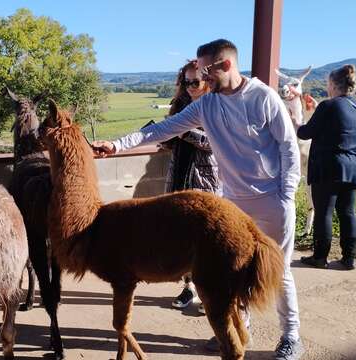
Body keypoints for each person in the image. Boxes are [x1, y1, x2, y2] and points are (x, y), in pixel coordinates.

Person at [92, 39, 304, 360]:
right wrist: (118, 145)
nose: (202, 81)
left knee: (280, 270)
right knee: (233, 271)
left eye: (207, 72)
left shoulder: (263, 98)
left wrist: (286, 195)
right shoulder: (207, 106)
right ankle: (236, 329)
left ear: (226, 66)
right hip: (233, 201)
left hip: (272, 200)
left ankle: (291, 335)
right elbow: (161, 130)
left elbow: (289, 147)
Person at [164, 60, 221, 312]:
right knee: (181, 238)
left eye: (194, 82)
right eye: (185, 82)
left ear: (207, 81)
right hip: (179, 176)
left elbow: (215, 142)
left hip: (205, 179)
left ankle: (210, 291)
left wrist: (183, 133)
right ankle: (190, 288)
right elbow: (170, 137)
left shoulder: (217, 106)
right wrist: (168, 139)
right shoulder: (180, 105)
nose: (189, 87)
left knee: (205, 239)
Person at [297, 65, 356, 270]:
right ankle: (349, 258)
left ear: (333, 85)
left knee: (324, 212)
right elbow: (339, 124)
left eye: (327, 84)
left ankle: (319, 257)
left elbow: (305, 133)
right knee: (347, 212)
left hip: (329, 168)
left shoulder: (328, 106)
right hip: (353, 168)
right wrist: (319, 107)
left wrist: (295, 121)